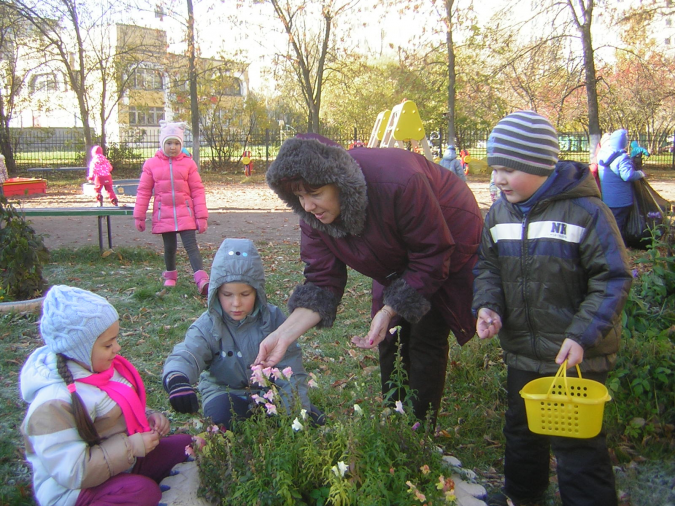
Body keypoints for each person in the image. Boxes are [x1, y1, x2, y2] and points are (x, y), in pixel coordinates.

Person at [258, 133, 484, 425]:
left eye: (314, 193)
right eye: (299, 197)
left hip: (448, 234)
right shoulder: (312, 215)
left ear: (339, 181)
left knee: (425, 334)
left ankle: (417, 432)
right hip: (392, 250)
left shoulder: (399, 181)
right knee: (388, 336)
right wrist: (283, 335)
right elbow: (321, 284)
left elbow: (432, 255)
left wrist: (392, 307)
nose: (308, 206)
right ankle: (393, 420)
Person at [472, 111, 632, 506]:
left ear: (540, 166)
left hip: (577, 354)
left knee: (576, 443)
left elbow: (612, 277)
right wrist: (488, 305)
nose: (498, 179)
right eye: (495, 169)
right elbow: (488, 266)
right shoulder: (499, 213)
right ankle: (522, 496)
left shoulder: (586, 212)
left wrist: (582, 333)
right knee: (522, 430)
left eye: (508, 169)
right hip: (524, 351)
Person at [19, 285, 192, 506]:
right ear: (79, 350)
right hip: (76, 491)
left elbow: (122, 408)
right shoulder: (53, 403)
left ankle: (131, 486)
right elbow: (74, 471)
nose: (117, 347)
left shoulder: (102, 368)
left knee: (186, 446)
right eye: (108, 344)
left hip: (120, 463)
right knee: (143, 492)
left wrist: (149, 416)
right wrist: (132, 446)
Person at [163, 238, 324, 428]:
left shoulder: (273, 319)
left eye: (245, 294)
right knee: (223, 421)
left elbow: (291, 367)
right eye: (227, 294)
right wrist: (177, 379)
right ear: (215, 292)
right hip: (224, 392)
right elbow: (188, 352)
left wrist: (297, 412)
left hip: (268, 392)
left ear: (258, 292)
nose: (236, 303)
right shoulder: (208, 324)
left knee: (310, 419)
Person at [134, 121, 210, 294]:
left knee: (192, 246)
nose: (173, 147)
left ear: (181, 144)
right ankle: (170, 276)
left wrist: (201, 217)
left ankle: (201, 279)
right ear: (162, 143)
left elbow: (198, 191)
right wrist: (139, 216)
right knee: (169, 247)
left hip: (186, 214)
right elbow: (144, 191)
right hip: (164, 214)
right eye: (169, 143)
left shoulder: (188, 165)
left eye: (176, 143)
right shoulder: (151, 165)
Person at [597, 129, 645, 240]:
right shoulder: (622, 158)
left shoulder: (602, 155)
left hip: (608, 199)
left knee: (611, 223)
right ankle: (618, 247)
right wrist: (640, 173)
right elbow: (627, 175)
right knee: (618, 226)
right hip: (621, 199)